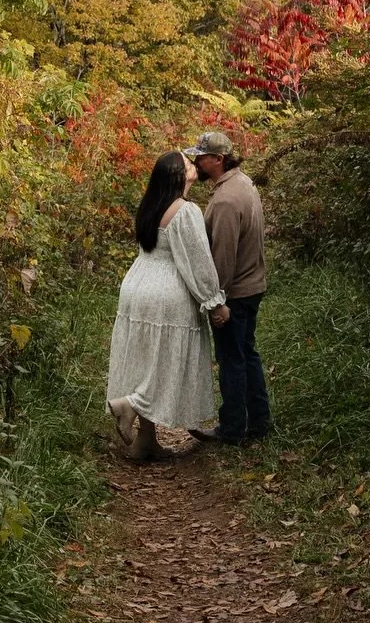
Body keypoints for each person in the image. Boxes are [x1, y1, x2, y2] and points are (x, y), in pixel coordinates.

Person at [107, 149, 231, 463]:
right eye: (188, 164)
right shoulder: (185, 211)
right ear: (177, 175)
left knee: (145, 360)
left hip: (137, 286)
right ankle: (132, 405)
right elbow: (198, 263)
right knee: (166, 361)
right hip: (166, 291)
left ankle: (145, 442)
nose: (195, 165)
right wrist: (214, 302)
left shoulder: (151, 206)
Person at [188, 129, 271, 445]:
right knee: (247, 354)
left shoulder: (225, 200)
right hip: (252, 286)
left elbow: (222, 258)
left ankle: (232, 428)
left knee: (232, 359)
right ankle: (259, 422)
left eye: (202, 157)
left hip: (235, 292)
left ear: (218, 160)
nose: (197, 162)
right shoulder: (243, 183)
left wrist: (215, 301)